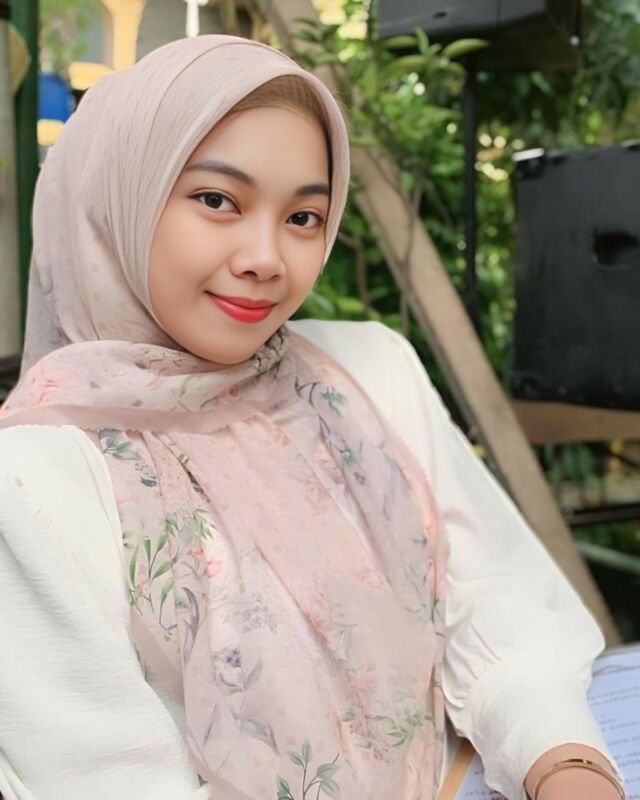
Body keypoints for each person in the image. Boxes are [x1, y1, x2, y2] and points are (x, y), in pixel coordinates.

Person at [0, 34, 625, 800]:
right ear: (117, 200)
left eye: (303, 216)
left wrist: (567, 766)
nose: (267, 257)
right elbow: (107, 779)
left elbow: (496, 602)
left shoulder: (366, 371)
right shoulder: (37, 477)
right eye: (217, 200)